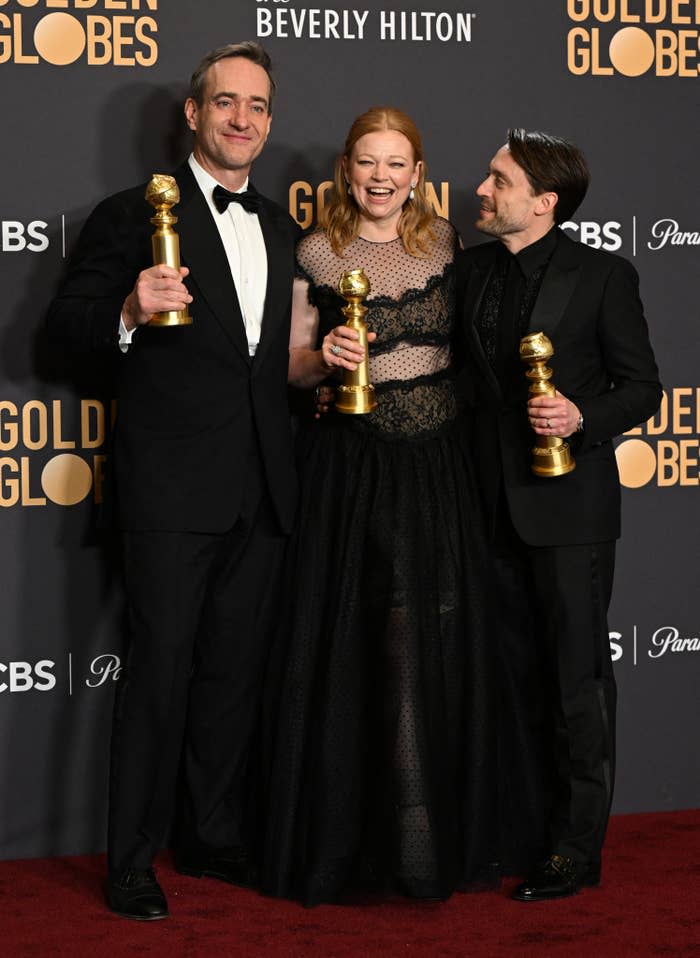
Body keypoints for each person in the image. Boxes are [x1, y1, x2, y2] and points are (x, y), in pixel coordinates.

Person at [46, 42, 299, 920]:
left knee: (233, 676)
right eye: (226, 102)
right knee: (157, 676)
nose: (243, 119)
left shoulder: (281, 229)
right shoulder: (128, 216)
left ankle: (212, 834)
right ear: (192, 114)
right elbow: (62, 333)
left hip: (265, 489)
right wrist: (125, 310)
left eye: (258, 106)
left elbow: (267, 364)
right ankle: (132, 860)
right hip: (168, 492)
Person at [261, 107, 499, 906]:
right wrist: (320, 358)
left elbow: (471, 355)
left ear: (418, 173)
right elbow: (291, 368)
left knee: (431, 636)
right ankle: (374, 842)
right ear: (346, 168)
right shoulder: (315, 251)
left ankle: (426, 835)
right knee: (366, 645)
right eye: (369, 161)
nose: (382, 176)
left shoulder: (445, 244)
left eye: (397, 163)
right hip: (353, 472)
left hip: (437, 468)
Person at [457, 129, 661, 901]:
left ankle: (577, 849)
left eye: (498, 179)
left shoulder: (605, 275)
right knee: (504, 678)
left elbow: (643, 388)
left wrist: (581, 416)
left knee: (576, 682)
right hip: (480, 507)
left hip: (569, 509)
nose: (481, 186)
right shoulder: (467, 270)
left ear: (543, 203)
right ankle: (515, 831)